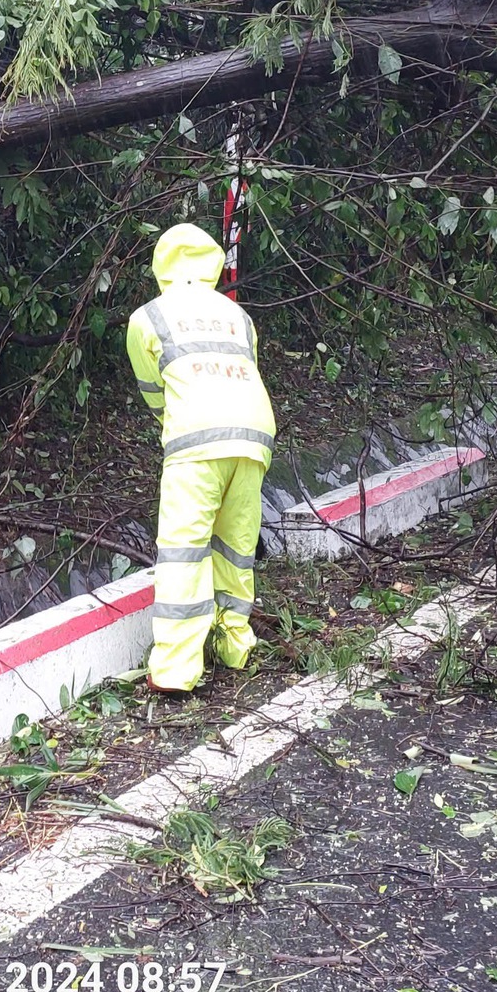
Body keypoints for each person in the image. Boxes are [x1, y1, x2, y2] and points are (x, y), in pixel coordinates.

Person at [126, 223, 278, 693]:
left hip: (195, 439)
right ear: (211, 264)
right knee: (236, 545)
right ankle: (236, 645)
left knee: (184, 553)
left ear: (162, 265)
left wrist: (173, 427)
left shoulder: (148, 317)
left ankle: (174, 670)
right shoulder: (238, 316)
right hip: (255, 436)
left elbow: (155, 392)